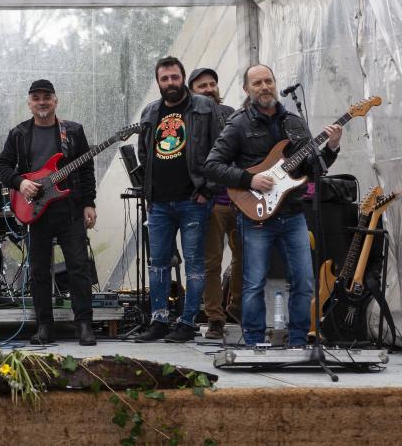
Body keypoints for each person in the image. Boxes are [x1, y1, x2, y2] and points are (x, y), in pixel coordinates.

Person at [204, 64, 342, 346]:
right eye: (257, 83)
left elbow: (313, 168)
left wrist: (331, 148)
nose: (264, 87)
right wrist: (248, 180)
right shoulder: (238, 124)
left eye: (268, 81)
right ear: (247, 90)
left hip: (293, 215)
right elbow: (212, 166)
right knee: (254, 283)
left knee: (304, 281)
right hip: (255, 217)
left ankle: (299, 340)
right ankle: (254, 342)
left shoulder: (294, 122)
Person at [0, 79, 97, 346]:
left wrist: (89, 202)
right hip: (36, 212)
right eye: (36, 97)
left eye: (47, 97)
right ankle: (44, 327)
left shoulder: (73, 132)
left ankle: (84, 324)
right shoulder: (18, 134)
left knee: (78, 268)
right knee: (39, 271)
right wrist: (20, 182)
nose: (42, 102)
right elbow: (2, 167)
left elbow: (86, 169)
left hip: (70, 209)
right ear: (29, 104)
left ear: (55, 101)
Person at [134, 57, 220, 343]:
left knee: (195, 262)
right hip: (159, 203)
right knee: (157, 262)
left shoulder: (205, 107)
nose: (170, 83)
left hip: (192, 200)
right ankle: (159, 320)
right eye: (164, 79)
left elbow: (221, 149)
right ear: (158, 82)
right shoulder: (150, 112)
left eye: (174, 77)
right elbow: (144, 155)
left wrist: (208, 189)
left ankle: (187, 322)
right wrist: (150, 191)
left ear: (183, 78)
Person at [187, 67, 241, 339]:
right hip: (212, 201)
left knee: (247, 257)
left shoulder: (234, 113)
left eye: (212, 84)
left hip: (243, 200)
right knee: (211, 262)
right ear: (191, 92)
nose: (209, 89)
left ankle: (237, 308)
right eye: (201, 86)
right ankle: (215, 317)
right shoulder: (190, 119)